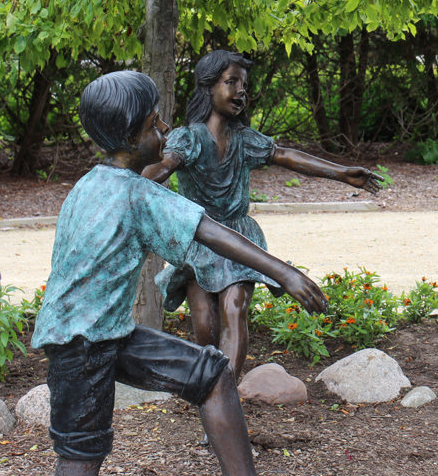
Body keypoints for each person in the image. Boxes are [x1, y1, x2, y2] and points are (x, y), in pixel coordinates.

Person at [32, 71, 328, 476]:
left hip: (111, 334)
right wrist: (286, 272)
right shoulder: (134, 192)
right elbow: (210, 232)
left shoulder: (94, 183)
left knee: (211, 373)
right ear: (131, 138)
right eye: (155, 123)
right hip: (78, 342)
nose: (165, 129)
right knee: (82, 449)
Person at [143, 50, 382, 380]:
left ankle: (224, 394)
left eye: (244, 84)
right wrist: (131, 184)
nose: (241, 90)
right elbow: (165, 163)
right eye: (231, 82)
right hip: (200, 240)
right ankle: (210, 393)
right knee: (204, 320)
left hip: (240, 239)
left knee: (234, 307)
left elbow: (284, 155)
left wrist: (341, 173)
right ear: (208, 87)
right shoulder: (189, 138)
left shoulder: (244, 140)